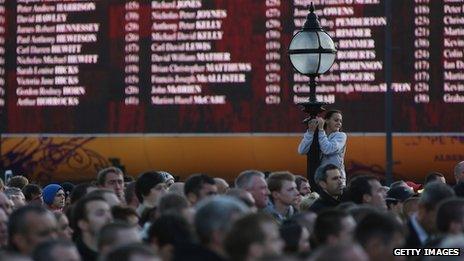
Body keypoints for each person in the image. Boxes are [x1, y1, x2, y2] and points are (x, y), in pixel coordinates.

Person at [298, 110, 347, 181]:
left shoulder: (341, 136)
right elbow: (301, 150)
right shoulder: (319, 135)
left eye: (340, 121)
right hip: (320, 179)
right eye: (336, 120)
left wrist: (321, 130)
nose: (339, 123)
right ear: (327, 121)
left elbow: (327, 149)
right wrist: (310, 132)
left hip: (336, 179)